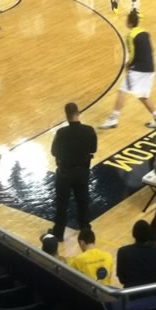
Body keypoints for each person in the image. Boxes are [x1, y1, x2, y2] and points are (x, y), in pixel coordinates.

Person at [100, 10, 156, 129]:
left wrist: (128, 64)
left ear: (130, 23)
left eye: (127, 21)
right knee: (142, 95)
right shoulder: (145, 32)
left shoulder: (131, 35)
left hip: (139, 68)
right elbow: (150, 50)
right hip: (150, 68)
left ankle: (113, 119)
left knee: (122, 90)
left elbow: (132, 54)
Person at [50, 102, 97, 240]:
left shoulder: (61, 133)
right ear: (78, 112)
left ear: (66, 115)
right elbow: (93, 149)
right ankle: (85, 229)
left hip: (65, 173)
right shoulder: (89, 130)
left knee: (62, 203)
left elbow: (53, 152)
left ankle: (58, 233)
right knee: (83, 200)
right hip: (82, 171)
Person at [115, 219, 156, 287]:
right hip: (155, 294)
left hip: (131, 294)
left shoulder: (122, 252)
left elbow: (122, 279)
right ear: (149, 235)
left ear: (133, 234)